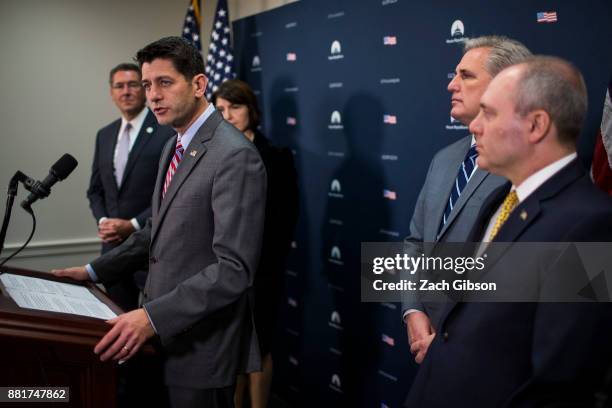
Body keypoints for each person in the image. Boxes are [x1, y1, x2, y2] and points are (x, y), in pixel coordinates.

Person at [53, 37, 266, 408]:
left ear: (199, 85)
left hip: (202, 348)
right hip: (162, 339)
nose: (152, 96)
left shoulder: (235, 156)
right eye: (148, 84)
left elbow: (233, 269)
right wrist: (92, 270)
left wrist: (151, 317)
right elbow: (157, 230)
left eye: (164, 83)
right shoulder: (175, 143)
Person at [405, 56, 612, 407]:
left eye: (490, 114)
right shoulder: (500, 202)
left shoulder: (592, 225)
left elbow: (561, 381)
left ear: (536, 126)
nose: (474, 127)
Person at [401, 36, 531, 363]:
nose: (451, 85)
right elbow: (415, 243)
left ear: (506, 85)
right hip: (427, 346)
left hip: (486, 358)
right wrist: (413, 311)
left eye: (466, 76)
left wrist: (454, 345)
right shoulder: (444, 159)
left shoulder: (528, 166)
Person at [212, 80, 298, 408]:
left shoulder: (277, 157)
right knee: (230, 349)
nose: (228, 115)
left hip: (261, 271)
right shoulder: (213, 156)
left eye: (235, 107)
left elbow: (286, 220)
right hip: (219, 270)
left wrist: (258, 266)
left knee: (258, 348)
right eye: (220, 109)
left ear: (251, 110)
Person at [87, 63, 173, 311]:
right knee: (116, 322)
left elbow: (169, 192)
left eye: (133, 84)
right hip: (112, 251)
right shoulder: (104, 134)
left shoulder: (166, 130)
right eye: (119, 86)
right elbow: (95, 190)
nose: (126, 91)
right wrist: (104, 220)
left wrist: (133, 225)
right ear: (111, 92)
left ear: (145, 90)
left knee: (151, 329)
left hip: (152, 250)